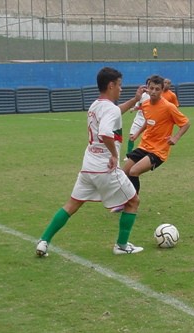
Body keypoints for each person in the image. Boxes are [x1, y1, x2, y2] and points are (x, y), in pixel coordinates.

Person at [35, 67, 146, 257]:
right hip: (105, 169)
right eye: (119, 85)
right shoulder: (109, 109)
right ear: (111, 85)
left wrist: (135, 100)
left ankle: (43, 241)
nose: (121, 89)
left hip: (88, 167)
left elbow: (115, 113)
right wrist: (113, 154)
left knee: (71, 205)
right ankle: (121, 245)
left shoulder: (96, 105)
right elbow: (105, 132)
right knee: (133, 201)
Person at [123, 75, 190, 196]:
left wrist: (176, 137)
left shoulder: (169, 107)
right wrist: (137, 133)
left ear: (162, 90)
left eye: (157, 89)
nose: (153, 91)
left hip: (159, 150)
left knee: (133, 171)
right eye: (151, 88)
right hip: (144, 145)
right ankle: (127, 199)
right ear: (147, 88)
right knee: (124, 172)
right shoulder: (145, 104)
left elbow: (186, 123)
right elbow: (148, 121)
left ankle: (132, 202)